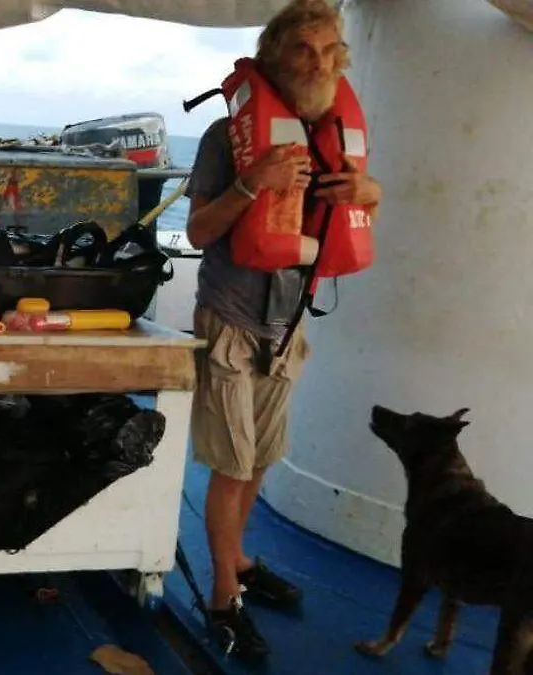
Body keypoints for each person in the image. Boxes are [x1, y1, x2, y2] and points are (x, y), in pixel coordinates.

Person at [184, 0, 383, 662]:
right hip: (232, 322)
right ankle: (221, 597)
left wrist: (366, 191)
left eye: (330, 52)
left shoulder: (336, 138)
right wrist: (253, 181)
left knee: (263, 455)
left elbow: (371, 201)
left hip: (288, 322)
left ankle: (238, 557)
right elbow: (199, 231)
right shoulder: (226, 137)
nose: (319, 63)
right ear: (274, 58)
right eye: (304, 50)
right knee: (231, 462)